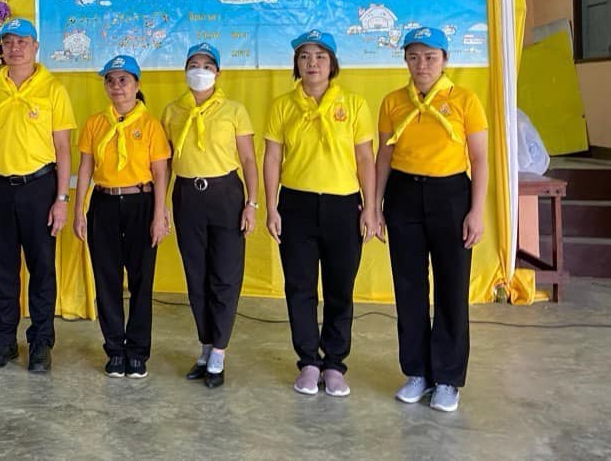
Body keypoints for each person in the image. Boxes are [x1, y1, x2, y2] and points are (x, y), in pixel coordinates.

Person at [371, 26, 488, 414]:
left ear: (445, 59)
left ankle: (448, 378)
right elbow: (384, 156)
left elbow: (480, 159)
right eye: (414, 57)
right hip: (403, 195)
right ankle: (417, 372)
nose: (422, 65)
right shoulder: (392, 102)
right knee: (409, 286)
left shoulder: (465, 100)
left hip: (451, 195)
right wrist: (374, 204)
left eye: (430, 57)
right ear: (405, 60)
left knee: (452, 287)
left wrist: (476, 210)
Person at [263, 31, 376, 397]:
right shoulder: (283, 106)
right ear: (296, 64)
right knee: (300, 287)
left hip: (344, 205)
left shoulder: (354, 104)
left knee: (340, 287)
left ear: (333, 63)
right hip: (296, 205)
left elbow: (365, 158)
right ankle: (309, 362)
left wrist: (371, 207)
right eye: (304, 56)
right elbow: (273, 158)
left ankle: (335, 364)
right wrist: (270, 206)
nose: (312, 63)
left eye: (320, 56)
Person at [0, 18, 75, 374]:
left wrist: (61, 199)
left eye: (22, 42)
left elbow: (63, 148)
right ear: (1, 48)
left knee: (41, 268)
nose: (14, 48)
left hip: (39, 188)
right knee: (3, 270)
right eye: (8, 42)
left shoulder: (53, 89)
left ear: (35, 47)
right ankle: (3, 340)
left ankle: (41, 343)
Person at [161, 42, 258, 388]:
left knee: (225, 275)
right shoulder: (173, 111)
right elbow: (165, 162)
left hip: (225, 194)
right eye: (193, 64)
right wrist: (161, 205)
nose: (199, 70)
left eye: (207, 65)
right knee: (196, 275)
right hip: (187, 196)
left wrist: (252, 203)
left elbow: (248, 159)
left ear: (218, 72)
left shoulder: (234, 110)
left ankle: (219, 350)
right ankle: (205, 345)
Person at [73, 55, 170, 379]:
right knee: (107, 279)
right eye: (111, 80)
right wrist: (79, 210)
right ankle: (115, 349)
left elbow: (160, 173)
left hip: (141, 203)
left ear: (137, 85)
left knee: (141, 280)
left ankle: (138, 352)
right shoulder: (95, 123)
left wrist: (159, 215)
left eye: (124, 80)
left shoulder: (151, 125)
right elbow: (85, 168)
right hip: (104, 203)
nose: (117, 86)